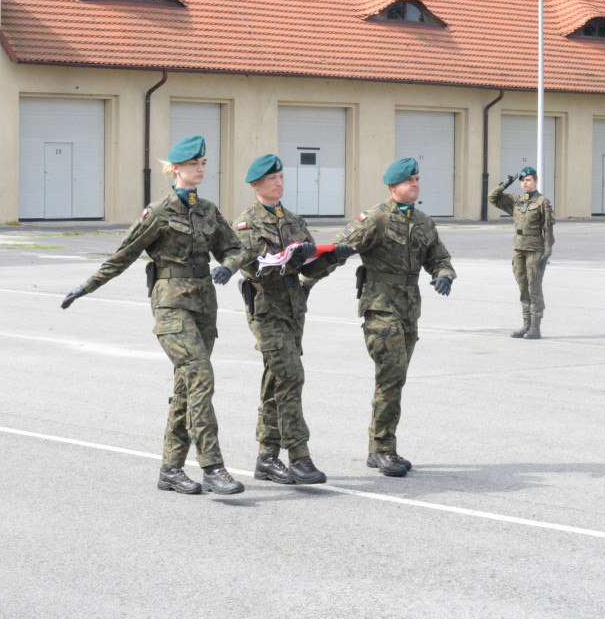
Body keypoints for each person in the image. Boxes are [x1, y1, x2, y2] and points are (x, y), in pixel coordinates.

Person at [60, 135, 246, 495]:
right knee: (201, 377)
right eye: (194, 164)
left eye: (204, 164)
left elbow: (235, 247)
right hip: (171, 307)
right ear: (175, 169)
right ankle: (213, 467)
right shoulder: (159, 212)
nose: (200, 169)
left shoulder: (208, 210)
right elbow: (123, 254)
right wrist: (87, 286)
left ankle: (171, 470)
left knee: (186, 388)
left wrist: (229, 266)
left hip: (205, 307)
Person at [311, 158, 456, 477]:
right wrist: (304, 282)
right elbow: (337, 249)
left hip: (408, 311)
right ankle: (383, 449)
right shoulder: (375, 218)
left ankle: (377, 448)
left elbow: (438, 256)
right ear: (393, 187)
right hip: (380, 308)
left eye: (417, 179)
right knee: (391, 375)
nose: (415, 185)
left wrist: (444, 274)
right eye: (409, 181)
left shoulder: (423, 221)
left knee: (396, 377)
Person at [231, 154, 354, 486]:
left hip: (293, 309)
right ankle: (299, 457)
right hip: (267, 309)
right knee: (291, 377)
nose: (279, 183)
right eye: (272, 179)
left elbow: (310, 266)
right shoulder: (245, 224)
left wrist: (333, 259)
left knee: (277, 381)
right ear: (257, 184)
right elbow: (252, 268)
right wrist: (287, 262)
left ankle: (267, 458)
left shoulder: (294, 220)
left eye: (282, 177)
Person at [488, 165, 555, 339]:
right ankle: (526, 324)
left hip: (534, 251)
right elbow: (492, 198)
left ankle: (535, 326)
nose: (525, 183)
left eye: (528, 180)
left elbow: (548, 229)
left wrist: (547, 251)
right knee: (523, 288)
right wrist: (504, 184)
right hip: (518, 249)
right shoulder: (517, 201)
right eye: (522, 181)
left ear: (536, 181)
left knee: (534, 289)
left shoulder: (542, 203)